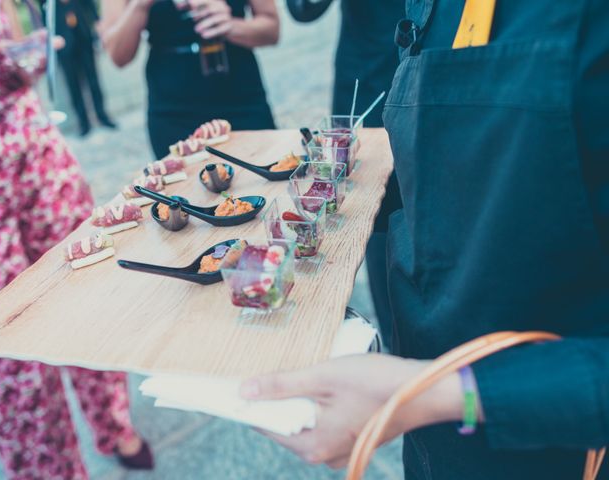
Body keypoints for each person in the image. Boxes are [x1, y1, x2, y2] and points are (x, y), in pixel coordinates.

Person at [240, 1, 609, 479]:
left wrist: (429, 393)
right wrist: (320, 208)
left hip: (548, 436)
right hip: (427, 424)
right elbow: (454, 172)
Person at [0, 1, 152, 478]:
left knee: (83, 286)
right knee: (5, 341)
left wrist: (29, 50)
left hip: (34, 149)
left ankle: (113, 424)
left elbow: (23, 43)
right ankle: (51, 472)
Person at [286, 0, 405, 351]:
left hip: (442, 79)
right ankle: (397, 355)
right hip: (366, 81)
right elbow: (302, 9)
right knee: (379, 221)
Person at [99, 0, 279, 159]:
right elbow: (118, 55)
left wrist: (230, 26)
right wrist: (140, 5)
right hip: (172, 111)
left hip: (242, 98)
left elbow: (272, 29)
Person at [40, 0, 117, 136]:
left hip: (83, 35)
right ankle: (83, 123)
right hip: (63, 42)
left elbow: (90, 5)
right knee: (73, 85)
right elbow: (44, 14)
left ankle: (102, 116)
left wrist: (98, 25)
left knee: (93, 79)